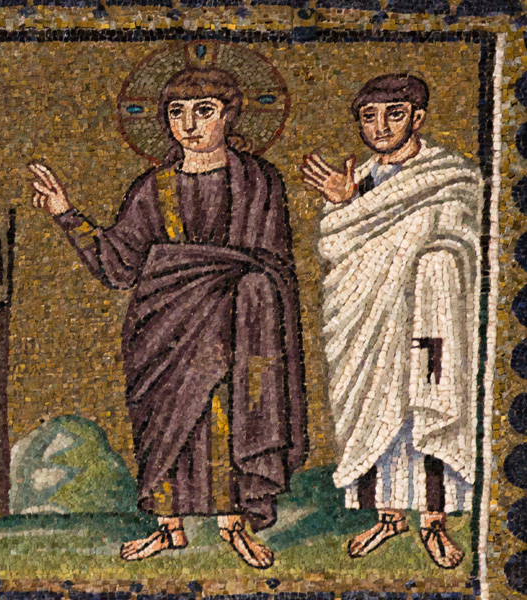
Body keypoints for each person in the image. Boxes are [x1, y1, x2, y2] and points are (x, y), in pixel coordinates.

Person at [28, 67, 306, 569]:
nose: (189, 125)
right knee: (168, 426)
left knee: (227, 414)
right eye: (177, 112)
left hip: (238, 326)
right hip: (162, 331)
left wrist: (242, 294)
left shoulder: (259, 181)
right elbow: (119, 265)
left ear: (229, 115)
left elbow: (273, 262)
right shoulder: (152, 188)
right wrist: (66, 213)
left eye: (204, 111)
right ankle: (169, 528)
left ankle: (234, 524)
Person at [303, 74, 482, 569]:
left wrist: (431, 265)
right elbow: (336, 243)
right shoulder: (356, 179)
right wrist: (343, 203)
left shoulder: (449, 174)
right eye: (369, 117)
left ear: (417, 118)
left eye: (394, 114)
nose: (380, 127)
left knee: (426, 403)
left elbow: (461, 236)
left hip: (430, 316)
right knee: (373, 406)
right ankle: (387, 517)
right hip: (367, 321)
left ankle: (434, 522)